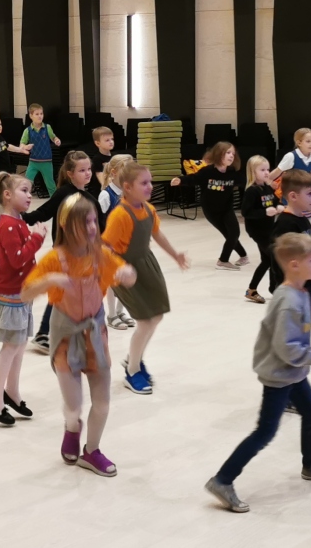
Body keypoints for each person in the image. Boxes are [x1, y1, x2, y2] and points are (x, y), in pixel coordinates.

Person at [205, 231, 311, 512]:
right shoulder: (288, 302)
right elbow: (287, 349)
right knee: (265, 432)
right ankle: (222, 480)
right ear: (294, 265)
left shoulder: (301, 293)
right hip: (279, 376)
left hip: (293, 373)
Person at [22, 196, 135, 476]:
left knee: (103, 402)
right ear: (65, 225)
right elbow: (25, 293)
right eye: (85, 222)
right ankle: (72, 427)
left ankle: (91, 451)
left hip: (96, 335)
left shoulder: (100, 255)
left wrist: (127, 273)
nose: (92, 227)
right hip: (65, 338)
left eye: (94, 220)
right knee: (74, 408)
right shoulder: (55, 258)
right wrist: (48, 280)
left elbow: (126, 276)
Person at [102, 161, 189, 395]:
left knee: (156, 315)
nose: (150, 186)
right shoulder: (120, 215)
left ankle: (135, 358)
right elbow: (104, 247)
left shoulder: (149, 209)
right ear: (128, 187)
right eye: (144, 183)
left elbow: (156, 233)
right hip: (124, 272)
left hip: (146, 265)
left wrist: (175, 255)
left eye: (150, 181)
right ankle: (132, 371)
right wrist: (120, 268)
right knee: (145, 321)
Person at [0, 172, 47, 426]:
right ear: (7, 195)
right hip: (10, 294)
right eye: (24, 191)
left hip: (21, 292)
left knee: (19, 344)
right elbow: (17, 259)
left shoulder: (17, 221)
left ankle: (11, 391)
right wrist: (37, 238)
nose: (29, 195)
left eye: (30, 191)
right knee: (11, 347)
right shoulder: (7, 224)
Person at [24, 150, 102, 349]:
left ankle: (69, 333)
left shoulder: (89, 198)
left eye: (89, 169)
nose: (88, 173)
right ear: (70, 173)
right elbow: (43, 212)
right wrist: (19, 216)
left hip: (84, 253)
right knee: (62, 291)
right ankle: (43, 333)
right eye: (82, 170)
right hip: (65, 252)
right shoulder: (64, 193)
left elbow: (102, 225)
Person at [172, 141, 247, 269]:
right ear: (219, 154)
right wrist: (180, 180)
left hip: (226, 209)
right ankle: (241, 256)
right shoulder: (207, 172)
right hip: (211, 211)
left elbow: (246, 181)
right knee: (228, 234)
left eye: (233, 154)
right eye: (228, 152)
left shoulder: (232, 172)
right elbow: (193, 179)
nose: (231, 156)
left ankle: (225, 260)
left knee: (234, 233)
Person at [267, 170, 311, 298]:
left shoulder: (303, 219)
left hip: (305, 288)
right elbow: (278, 260)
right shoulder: (285, 224)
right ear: (293, 196)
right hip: (292, 291)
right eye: (310, 194)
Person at [270, 128, 311, 229]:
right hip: (292, 195)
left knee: (308, 222)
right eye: (308, 141)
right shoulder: (291, 156)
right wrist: (268, 181)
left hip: (306, 195)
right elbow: (277, 171)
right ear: (299, 142)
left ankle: (308, 234)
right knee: (291, 220)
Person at [99, 154, 136, 331]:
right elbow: (99, 222)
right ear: (114, 173)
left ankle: (121, 312)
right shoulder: (106, 195)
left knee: (126, 278)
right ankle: (112, 314)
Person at [242, 155, 275, 303]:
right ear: (253, 172)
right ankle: (275, 288)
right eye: (262, 170)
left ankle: (252, 290)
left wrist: (279, 206)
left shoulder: (267, 188)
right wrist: (264, 212)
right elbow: (246, 212)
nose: (267, 172)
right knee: (275, 257)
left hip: (268, 229)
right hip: (258, 231)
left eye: (268, 169)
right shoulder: (251, 191)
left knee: (267, 261)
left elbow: (274, 201)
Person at [20, 103, 63, 196]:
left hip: (46, 162)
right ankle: (22, 200)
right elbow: (22, 144)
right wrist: (25, 147)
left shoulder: (47, 127)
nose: (40, 116)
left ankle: (55, 202)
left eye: (41, 113)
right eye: (37, 114)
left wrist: (56, 140)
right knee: (26, 183)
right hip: (33, 162)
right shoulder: (27, 130)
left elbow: (53, 137)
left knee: (51, 185)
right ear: (31, 115)